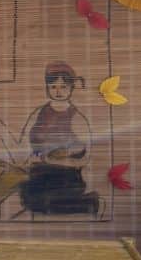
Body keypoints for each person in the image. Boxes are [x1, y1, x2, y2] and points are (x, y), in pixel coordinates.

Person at [18, 61, 98, 216]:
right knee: (26, 195)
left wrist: (54, 161)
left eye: (63, 87)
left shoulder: (77, 118)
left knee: (43, 200)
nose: (58, 91)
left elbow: (85, 159)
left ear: (71, 88)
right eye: (53, 86)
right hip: (40, 173)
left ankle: (88, 203)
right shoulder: (38, 113)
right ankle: (82, 204)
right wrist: (30, 159)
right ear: (47, 88)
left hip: (66, 176)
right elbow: (25, 142)